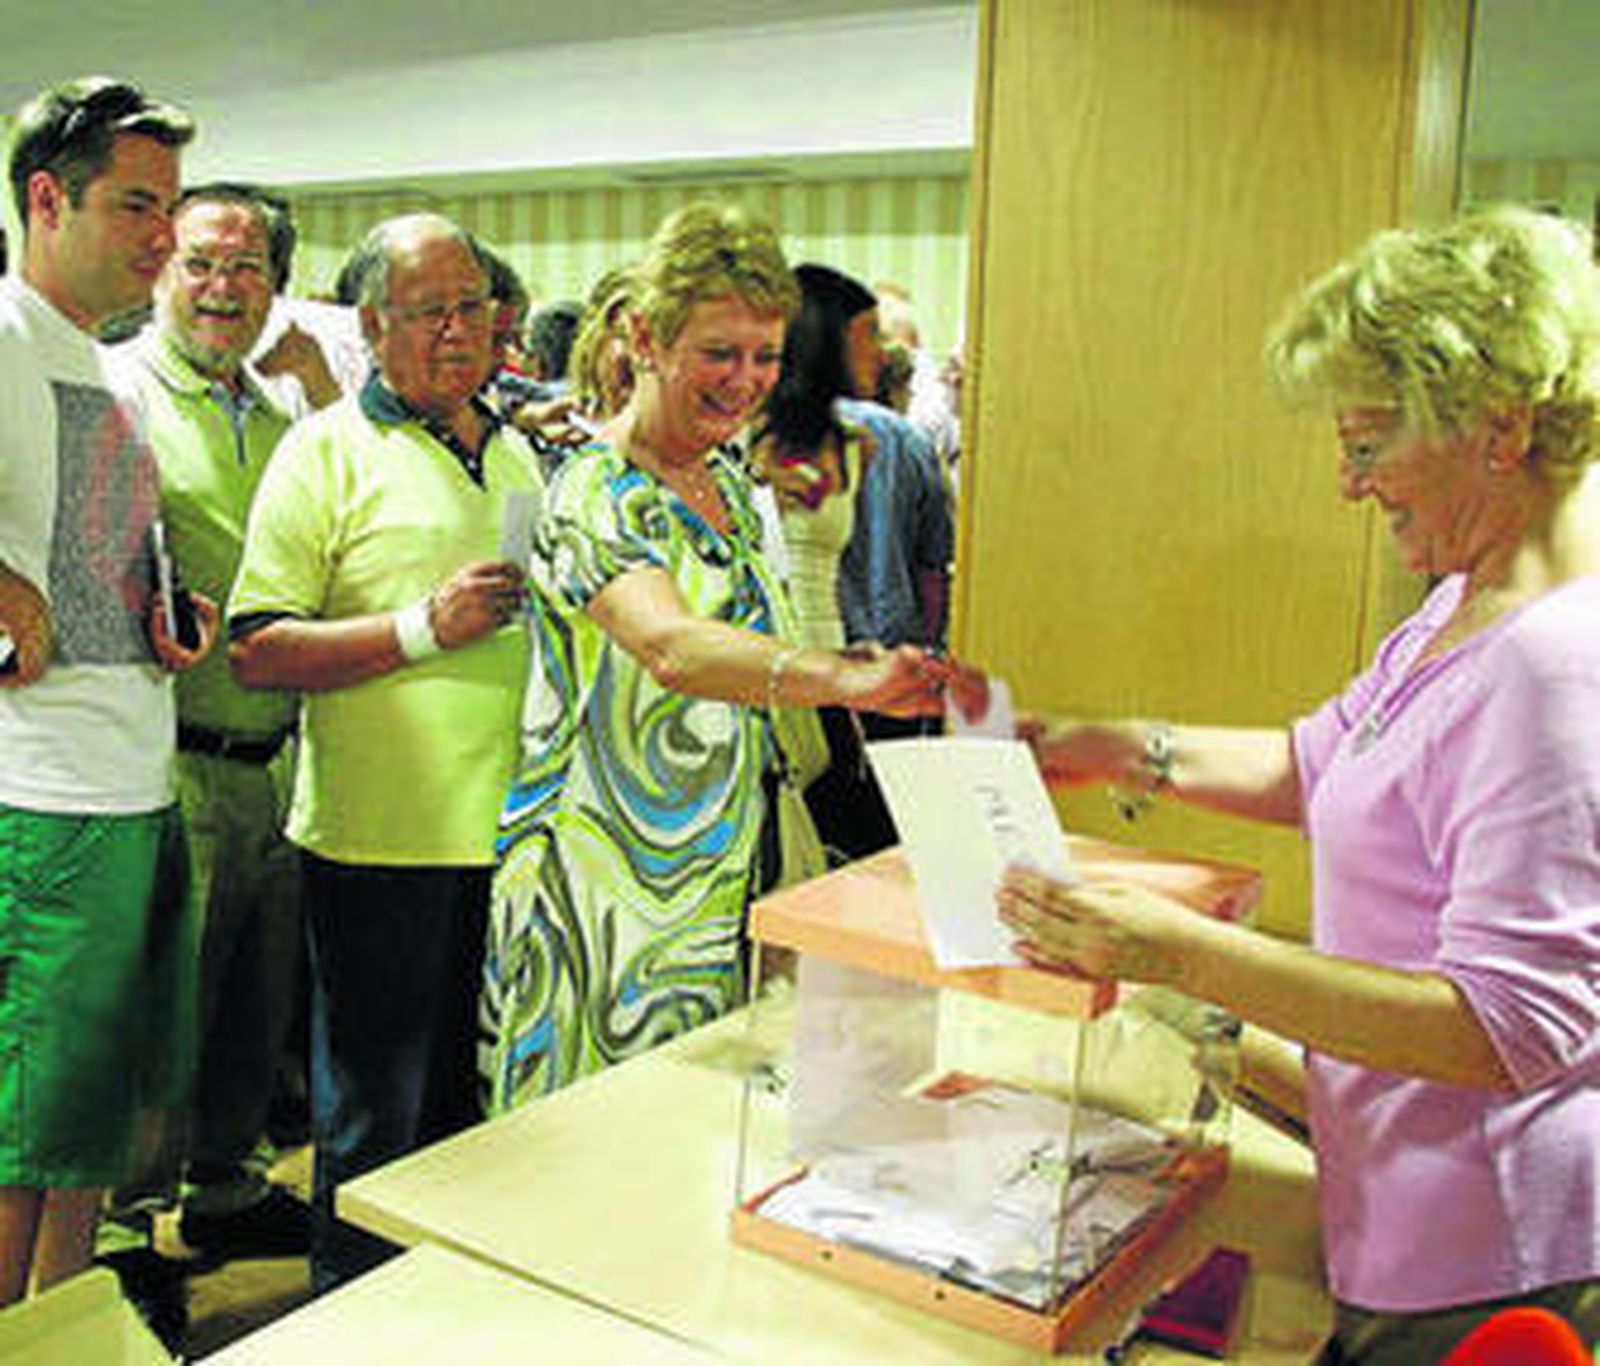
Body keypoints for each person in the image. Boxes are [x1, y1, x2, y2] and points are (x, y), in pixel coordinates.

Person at [994, 207, 1600, 1363]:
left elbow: (1508, 1025)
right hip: (1398, 1209)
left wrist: (1173, 952)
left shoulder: (1552, 662)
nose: (1347, 483)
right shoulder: (1466, 597)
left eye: (1368, 444)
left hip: (1490, 1260)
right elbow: (1325, 759)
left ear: (1500, 426)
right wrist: (1108, 743)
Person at [482, 203, 948, 1113]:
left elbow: (749, 647)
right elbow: (671, 645)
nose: (746, 382)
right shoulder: (590, 490)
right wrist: (842, 676)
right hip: (610, 891)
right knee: (595, 1152)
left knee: (705, 1143)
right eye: (720, 354)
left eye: (765, 358)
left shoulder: (730, 478)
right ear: (646, 339)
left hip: (733, 872)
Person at [227, 212, 540, 1290]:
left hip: (514, 838)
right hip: (381, 844)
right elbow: (258, 648)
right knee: (376, 1122)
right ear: (371, 325)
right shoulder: (323, 449)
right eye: (429, 312)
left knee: (471, 1115)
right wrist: (421, 627)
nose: (460, 332)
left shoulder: (515, 446)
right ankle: (347, 1324)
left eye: (476, 308)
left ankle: (441, 1324)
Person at [0, 75, 213, 1306]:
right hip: (43, 801)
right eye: (137, 204)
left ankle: (64, 1326)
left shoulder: (120, 368)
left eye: (168, 206)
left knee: (88, 1119)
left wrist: (167, 617)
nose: (162, 235)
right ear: (46, 197)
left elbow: (101, 557)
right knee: (24, 1128)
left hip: (134, 778)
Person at [125, 183, 307, 1264]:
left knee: (256, 998)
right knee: (164, 1012)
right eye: (199, 263)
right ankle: (125, 1233)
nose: (221, 288)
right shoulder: (117, 394)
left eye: (246, 269)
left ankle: (229, 1187)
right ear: (161, 268)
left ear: (276, 286)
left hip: (280, 757)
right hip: (171, 757)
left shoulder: (286, 414)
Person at [750, 262, 899, 859]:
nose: (881, 354)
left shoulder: (857, 444)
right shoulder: (752, 441)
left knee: (845, 838)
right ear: (828, 343)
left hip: (830, 660)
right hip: (770, 664)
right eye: (868, 336)